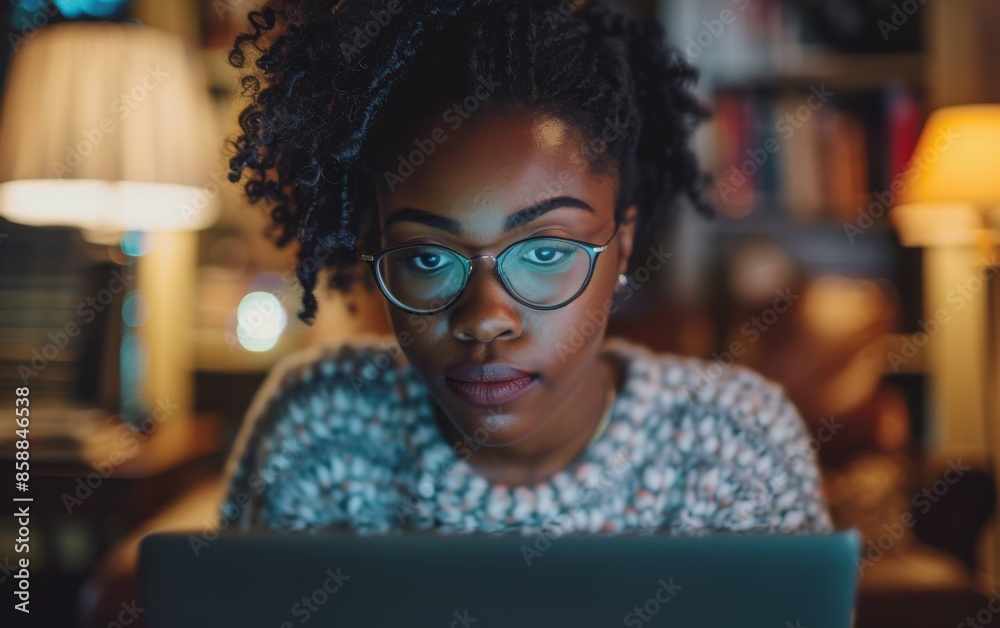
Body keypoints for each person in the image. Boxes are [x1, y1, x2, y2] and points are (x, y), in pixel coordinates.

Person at [218, 0, 833, 536]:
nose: (486, 319)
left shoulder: (736, 447)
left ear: (622, 244)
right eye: (428, 257)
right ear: (373, 247)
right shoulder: (316, 428)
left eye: (544, 251)